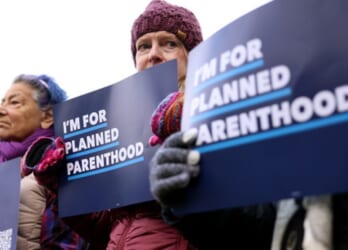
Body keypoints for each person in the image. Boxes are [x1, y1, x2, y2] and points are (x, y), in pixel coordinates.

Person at [21, 0, 203, 249]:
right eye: (143, 46)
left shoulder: (210, 113)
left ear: (192, 55)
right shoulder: (121, 130)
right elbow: (104, 228)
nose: (154, 54)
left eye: (170, 43)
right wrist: (61, 183)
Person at [0, 74, 84, 249]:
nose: (1, 109)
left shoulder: (61, 169)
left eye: (14, 102)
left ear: (47, 117)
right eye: (3, 102)